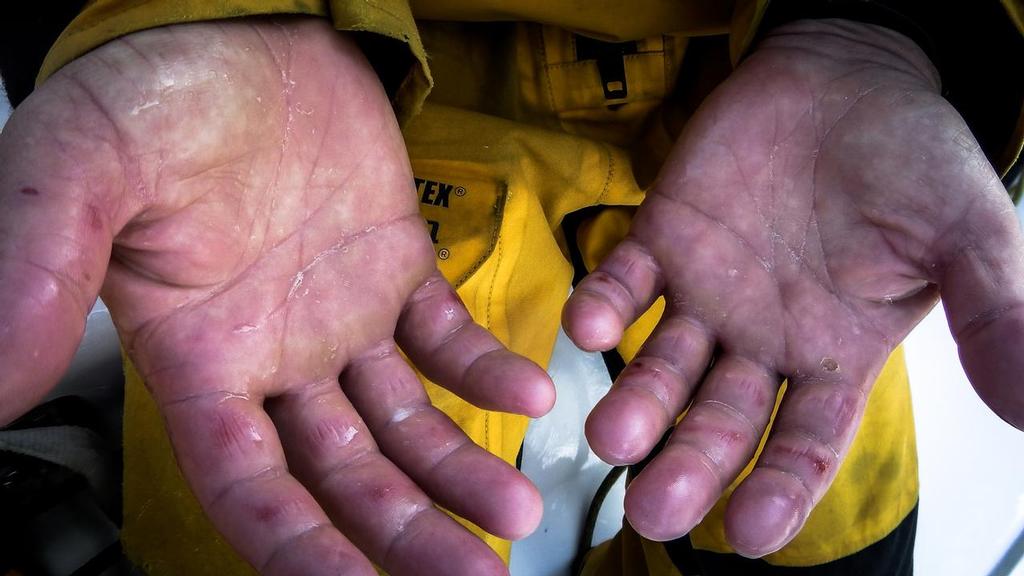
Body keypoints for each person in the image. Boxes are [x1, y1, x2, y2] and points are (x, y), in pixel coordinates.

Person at [0, 1, 1022, 575]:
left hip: (783, 131)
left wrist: (897, 27)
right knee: (273, 519)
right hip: (309, 113)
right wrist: (149, 10)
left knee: (813, 527)